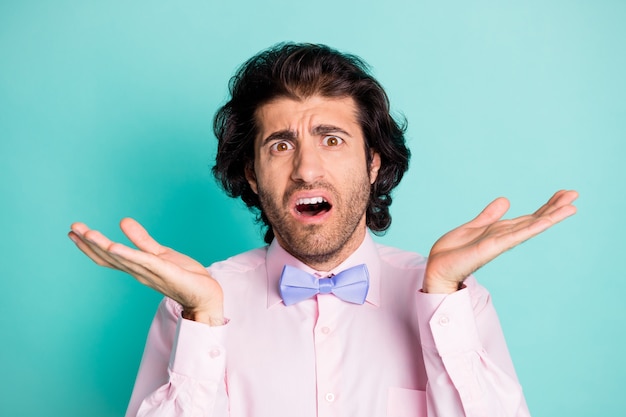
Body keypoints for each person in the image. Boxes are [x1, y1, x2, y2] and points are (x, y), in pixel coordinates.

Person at [68, 43, 578, 417]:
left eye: (331, 139)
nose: (307, 170)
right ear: (250, 172)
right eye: (280, 145)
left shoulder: (460, 304)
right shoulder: (190, 307)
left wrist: (442, 298)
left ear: (373, 162)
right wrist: (201, 318)